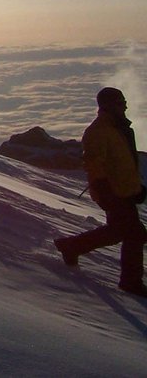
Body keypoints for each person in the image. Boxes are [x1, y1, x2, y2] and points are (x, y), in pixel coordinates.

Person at [54, 87, 147, 296]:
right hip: (112, 191)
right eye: (120, 102)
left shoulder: (116, 128)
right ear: (108, 105)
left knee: (121, 231)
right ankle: (130, 281)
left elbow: (123, 164)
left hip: (123, 191)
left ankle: (72, 247)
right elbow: (94, 162)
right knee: (134, 233)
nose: (124, 105)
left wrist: (136, 188)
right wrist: (103, 189)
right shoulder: (99, 131)